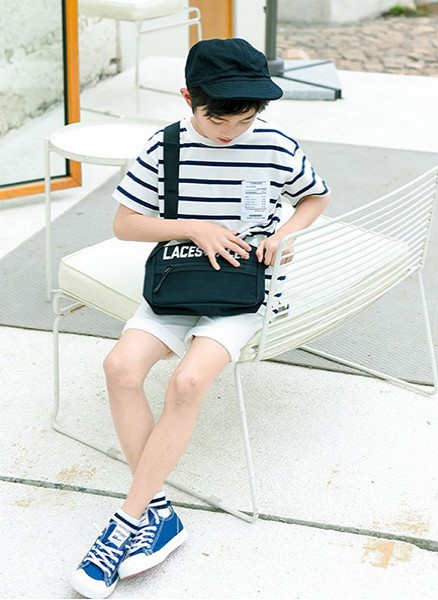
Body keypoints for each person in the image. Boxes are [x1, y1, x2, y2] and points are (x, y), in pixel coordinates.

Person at [70, 37, 331, 599]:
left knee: (188, 381)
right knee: (120, 368)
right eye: (218, 118)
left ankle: (126, 521)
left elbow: (315, 198)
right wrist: (192, 226)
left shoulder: (276, 145)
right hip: (180, 281)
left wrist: (285, 236)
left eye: (245, 119)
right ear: (189, 97)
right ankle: (159, 512)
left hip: (244, 289)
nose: (231, 131)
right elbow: (125, 224)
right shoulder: (165, 146)